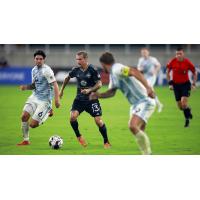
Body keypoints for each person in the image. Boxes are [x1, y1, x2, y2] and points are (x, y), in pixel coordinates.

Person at [90, 52, 156, 155]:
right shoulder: (113, 75)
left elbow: (134, 71)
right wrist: (98, 95)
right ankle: (146, 152)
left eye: (102, 65)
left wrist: (148, 87)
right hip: (135, 105)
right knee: (139, 130)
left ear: (103, 64)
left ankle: (148, 154)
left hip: (144, 101)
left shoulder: (117, 69)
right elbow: (112, 92)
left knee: (132, 126)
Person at [59, 51, 111, 149]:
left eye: (80, 59)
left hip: (92, 99)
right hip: (79, 99)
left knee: (98, 121)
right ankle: (79, 136)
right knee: (72, 117)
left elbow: (99, 84)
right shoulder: (76, 70)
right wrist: (61, 90)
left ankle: (106, 141)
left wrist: (89, 90)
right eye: (77, 59)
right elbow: (67, 78)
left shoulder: (92, 69)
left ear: (86, 59)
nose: (78, 61)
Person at [17, 50, 60, 145]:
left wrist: (57, 100)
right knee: (24, 116)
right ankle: (26, 140)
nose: (38, 60)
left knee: (33, 125)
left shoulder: (47, 70)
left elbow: (55, 85)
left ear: (44, 60)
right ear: (34, 59)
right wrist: (26, 87)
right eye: (37, 59)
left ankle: (48, 111)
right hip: (34, 96)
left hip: (44, 101)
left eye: (41, 59)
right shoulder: (34, 70)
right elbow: (34, 85)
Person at [166, 47, 197, 127]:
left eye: (180, 54)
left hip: (185, 85)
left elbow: (194, 72)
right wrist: (170, 83)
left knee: (183, 103)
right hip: (176, 85)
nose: (178, 55)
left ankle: (187, 121)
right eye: (177, 54)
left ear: (183, 54)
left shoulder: (187, 62)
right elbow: (167, 72)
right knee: (180, 107)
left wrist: (193, 84)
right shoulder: (172, 61)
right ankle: (188, 109)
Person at [137, 47, 163, 112]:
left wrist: (155, 71)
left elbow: (158, 65)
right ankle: (159, 104)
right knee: (150, 90)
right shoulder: (141, 60)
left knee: (148, 88)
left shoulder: (152, 59)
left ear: (148, 53)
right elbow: (138, 68)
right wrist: (140, 69)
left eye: (145, 52)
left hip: (151, 77)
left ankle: (148, 104)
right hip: (144, 77)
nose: (144, 54)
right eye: (142, 53)